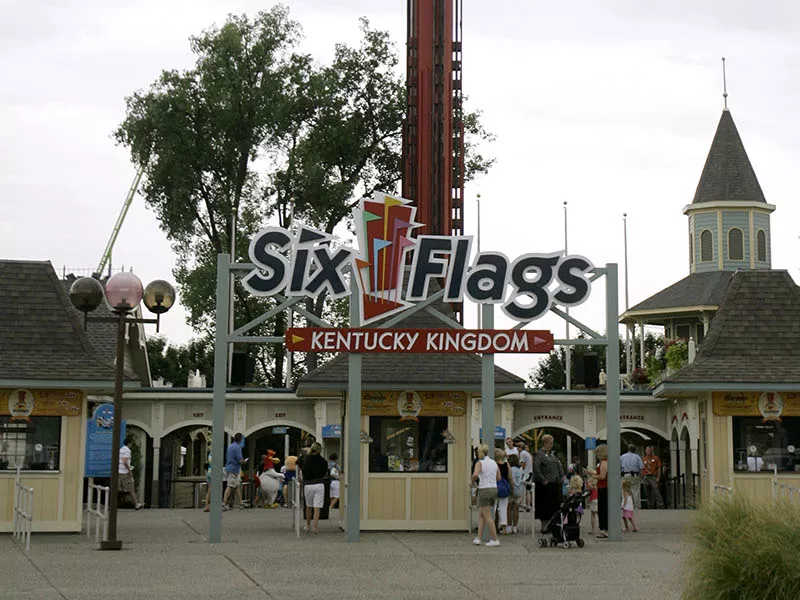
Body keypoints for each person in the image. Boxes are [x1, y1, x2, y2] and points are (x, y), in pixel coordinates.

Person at [533, 434, 564, 532]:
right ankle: (544, 526)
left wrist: (561, 476)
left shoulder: (552, 455)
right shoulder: (539, 454)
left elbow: (559, 465)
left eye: (552, 443)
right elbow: (536, 468)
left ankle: (553, 525)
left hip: (554, 484)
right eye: (550, 443)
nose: (551, 445)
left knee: (554, 507)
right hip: (544, 486)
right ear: (545, 443)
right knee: (544, 507)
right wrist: (543, 479)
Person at [471, 443, 501, 547]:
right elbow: (499, 477)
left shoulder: (480, 463)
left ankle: (495, 539)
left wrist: (472, 482)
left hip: (484, 489)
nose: (477, 454)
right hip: (494, 488)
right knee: (482, 514)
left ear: (481, 453)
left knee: (487, 515)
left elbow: (475, 474)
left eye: (478, 452)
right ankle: (478, 538)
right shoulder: (493, 462)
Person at [301, 442, 328, 533]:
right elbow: (325, 473)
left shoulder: (306, 459)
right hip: (319, 484)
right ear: (319, 450)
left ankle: (307, 525)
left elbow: (302, 469)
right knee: (317, 507)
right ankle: (315, 527)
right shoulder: (323, 461)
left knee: (309, 506)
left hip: (308, 485)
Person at [586, 444, 608, 538]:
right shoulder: (605, 462)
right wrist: (590, 472)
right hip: (603, 487)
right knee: (602, 508)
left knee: (603, 509)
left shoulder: (604, 462)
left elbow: (602, 476)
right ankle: (604, 529)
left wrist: (593, 476)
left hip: (603, 487)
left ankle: (604, 529)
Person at [222, 433, 247, 510]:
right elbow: (239, 460)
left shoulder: (230, 446)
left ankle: (240, 503)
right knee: (230, 486)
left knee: (236, 486)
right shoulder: (238, 447)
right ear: (240, 439)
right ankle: (224, 503)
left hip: (229, 467)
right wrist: (244, 461)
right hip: (234, 469)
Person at [119, 436, 143, 510]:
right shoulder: (127, 451)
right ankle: (136, 504)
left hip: (119, 471)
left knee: (119, 489)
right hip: (125, 472)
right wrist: (129, 471)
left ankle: (112, 504)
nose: (132, 445)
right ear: (129, 443)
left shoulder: (121, 450)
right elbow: (125, 461)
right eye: (131, 444)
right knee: (131, 489)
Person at [494, 448, 512, 535]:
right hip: (504, 488)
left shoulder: (494, 465)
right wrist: (511, 487)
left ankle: (493, 525)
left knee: (493, 507)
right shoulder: (507, 464)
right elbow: (510, 477)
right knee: (503, 508)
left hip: (495, 487)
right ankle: (504, 527)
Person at [621, 444, 644, 509]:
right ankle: (637, 506)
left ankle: (625, 505)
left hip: (625, 475)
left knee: (625, 491)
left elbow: (619, 467)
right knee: (636, 491)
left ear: (628, 449)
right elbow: (641, 468)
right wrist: (641, 477)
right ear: (634, 450)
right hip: (635, 475)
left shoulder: (622, 456)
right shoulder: (637, 457)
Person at [508, 453, 523, 534]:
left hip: (512, 490)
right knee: (516, 509)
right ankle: (515, 527)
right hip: (519, 490)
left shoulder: (511, 469)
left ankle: (509, 526)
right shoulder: (519, 470)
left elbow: (511, 480)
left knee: (509, 508)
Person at [203, 447, 212, 512]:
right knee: (210, 490)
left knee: (209, 490)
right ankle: (206, 506)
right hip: (213, 473)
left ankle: (207, 506)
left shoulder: (210, 454)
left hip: (209, 472)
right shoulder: (216, 454)